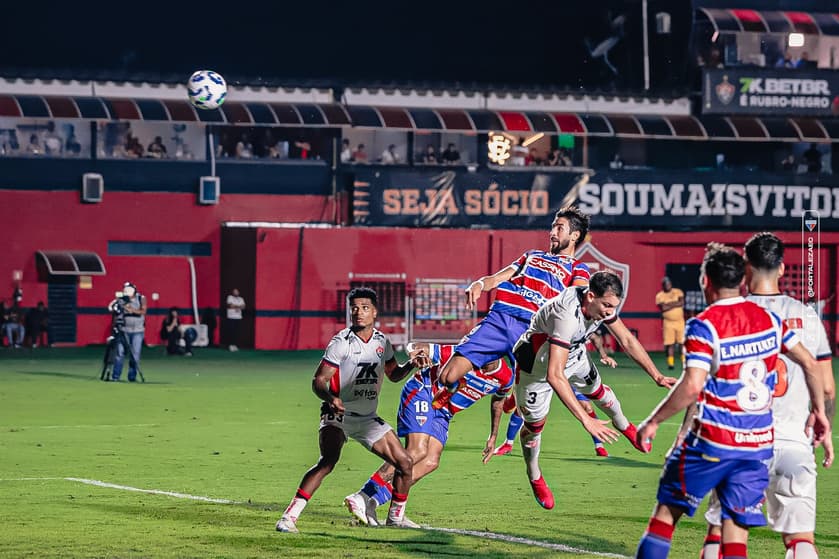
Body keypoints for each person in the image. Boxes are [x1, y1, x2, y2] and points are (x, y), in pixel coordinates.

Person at [634, 242, 829, 559]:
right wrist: (819, 412)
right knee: (735, 534)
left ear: (705, 281)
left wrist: (653, 421)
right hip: (755, 448)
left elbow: (693, 385)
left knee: (664, 521)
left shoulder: (703, 325)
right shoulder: (769, 321)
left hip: (713, 442)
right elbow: (809, 363)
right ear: (741, 281)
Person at [698, 233, 835, 559]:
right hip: (793, 445)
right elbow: (826, 385)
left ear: (745, 268)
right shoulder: (808, 317)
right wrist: (822, 423)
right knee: (800, 541)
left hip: (739, 447)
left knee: (722, 537)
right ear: (783, 267)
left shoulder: (726, 316)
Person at [512, 271, 676, 509]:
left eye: (614, 306)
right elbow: (555, 376)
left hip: (575, 356)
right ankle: (534, 474)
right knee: (534, 427)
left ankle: (626, 427)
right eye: (607, 305)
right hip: (536, 368)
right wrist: (586, 421)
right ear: (591, 296)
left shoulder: (601, 305)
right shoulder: (565, 315)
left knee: (599, 392)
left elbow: (627, 340)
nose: (610, 311)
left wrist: (657, 375)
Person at [275, 287, 428, 533]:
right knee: (327, 461)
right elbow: (318, 381)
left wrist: (411, 363)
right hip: (338, 414)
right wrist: (331, 397)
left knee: (405, 462)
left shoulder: (382, 342)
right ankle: (288, 518)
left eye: (365, 308)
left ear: (375, 312)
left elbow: (393, 375)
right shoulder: (341, 342)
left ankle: (396, 517)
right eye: (354, 308)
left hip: (367, 418)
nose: (359, 312)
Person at [343, 341, 513, 526]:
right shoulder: (462, 352)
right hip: (423, 391)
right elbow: (415, 346)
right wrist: (414, 354)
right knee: (417, 451)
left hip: (444, 412)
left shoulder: (505, 377)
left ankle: (385, 509)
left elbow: (498, 401)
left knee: (431, 461)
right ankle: (362, 496)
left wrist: (493, 436)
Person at [436, 206, 592, 405]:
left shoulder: (578, 268)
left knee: (532, 400)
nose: (552, 232)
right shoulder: (531, 256)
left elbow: (576, 300)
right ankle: (458, 386)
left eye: (559, 228)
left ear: (575, 235)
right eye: (553, 227)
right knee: (446, 376)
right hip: (499, 321)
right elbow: (497, 278)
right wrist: (480, 284)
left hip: (532, 332)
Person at [107, 282, 147, 382]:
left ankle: (132, 377)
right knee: (120, 353)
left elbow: (142, 312)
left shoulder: (141, 298)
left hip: (137, 331)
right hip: (123, 330)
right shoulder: (121, 300)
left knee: (135, 355)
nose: (127, 291)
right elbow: (111, 308)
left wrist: (130, 309)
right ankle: (115, 376)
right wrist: (118, 306)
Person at [655, 276, 685, 371]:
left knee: (682, 343)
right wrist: (675, 303)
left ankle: (684, 362)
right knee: (670, 344)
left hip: (680, 321)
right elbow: (663, 308)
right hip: (668, 323)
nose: (667, 286)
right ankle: (671, 364)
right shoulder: (660, 296)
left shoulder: (677, 292)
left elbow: (681, 302)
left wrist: (668, 305)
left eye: (668, 284)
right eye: (665, 284)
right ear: (662, 286)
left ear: (671, 284)